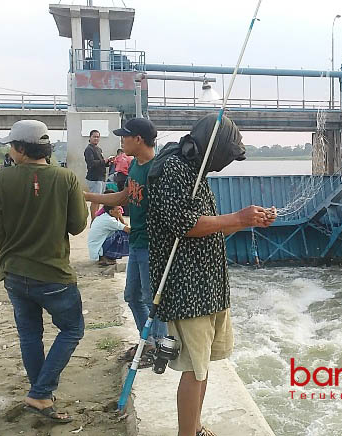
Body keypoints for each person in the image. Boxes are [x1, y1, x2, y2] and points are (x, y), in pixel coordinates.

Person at [147, 114, 276, 436]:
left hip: (209, 285)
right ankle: (186, 433)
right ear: (213, 148)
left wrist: (248, 220)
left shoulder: (195, 169)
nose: (226, 164)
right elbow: (184, 224)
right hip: (187, 287)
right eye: (227, 156)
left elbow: (206, 223)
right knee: (193, 368)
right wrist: (236, 216)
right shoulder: (175, 169)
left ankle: (195, 427)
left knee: (202, 368)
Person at [0, 120, 88, 424]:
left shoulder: (1, 180)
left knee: (30, 335)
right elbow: (78, 225)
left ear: (20, 148)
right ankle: (41, 393)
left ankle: (40, 393)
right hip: (54, 274)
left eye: (11, 146)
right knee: (71, 330)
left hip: (14, 274)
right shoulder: (66, 178)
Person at [83, 118, 167, 361]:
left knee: (155, 301)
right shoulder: (134, 167)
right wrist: (87, 196)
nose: (122, 141)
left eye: (125, 137)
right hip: (137, 243)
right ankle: (148, 342)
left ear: (138, 139)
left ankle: (160, 347)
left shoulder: (158, 169)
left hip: (153, 246)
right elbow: (124, 197)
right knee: (132, 296)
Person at [83, 129, 111, 222]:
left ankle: (96, 218)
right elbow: (91, 163)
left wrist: (109, 162)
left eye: (98, 137)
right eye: (94, 136)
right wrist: (104, 161)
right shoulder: (89, 149)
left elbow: (102, 163)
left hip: (101, 177)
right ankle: (93, 220)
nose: (96, 138)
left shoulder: (99, 149)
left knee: (99, 200)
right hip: (94, 178)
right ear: (90, 138)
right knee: (95, 200)